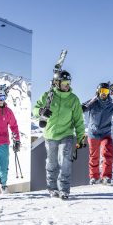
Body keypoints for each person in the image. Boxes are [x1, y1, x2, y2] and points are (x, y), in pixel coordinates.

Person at [33, 70, 85, 200]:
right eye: (65, 82)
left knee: (65, 161)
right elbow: (35, 110)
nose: (68, 85)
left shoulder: (73, 99)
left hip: (66, 134)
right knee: (51, 163)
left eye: (69, 82)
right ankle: (52, 188)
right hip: (50, 135)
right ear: (57, 83)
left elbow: (79, 120)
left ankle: (64, 189)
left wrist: (80, 138)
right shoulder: (47, 96)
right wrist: (40, 110)